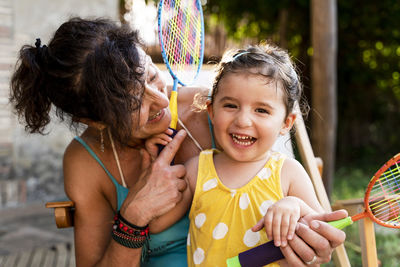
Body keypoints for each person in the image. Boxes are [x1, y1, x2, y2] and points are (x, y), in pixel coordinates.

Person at [9, 17, 346, 267]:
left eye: (152, 76)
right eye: (133, 102)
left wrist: (306, 232)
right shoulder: (87, 162)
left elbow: (283, 194)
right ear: (94, 121)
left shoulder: (221, 111)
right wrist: (135, 212)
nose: (160, 100)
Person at [145, 44, 332, 266]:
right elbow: (156, 224)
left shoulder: (289, 173)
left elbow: (323, 235)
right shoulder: (197, 169)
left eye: (261, 110)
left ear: (286, 123)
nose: (243, 120)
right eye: (231, 106)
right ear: (212, 111)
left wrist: (295, 205)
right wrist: (153, 165)